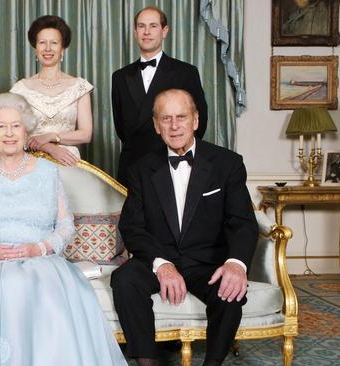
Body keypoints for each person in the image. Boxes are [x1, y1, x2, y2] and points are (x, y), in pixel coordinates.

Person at [0, 93, 127, 366]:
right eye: (1, 126)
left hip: (40, 258)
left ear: (26, 129)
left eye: (16, 126)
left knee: (37, 286)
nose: (9, 133)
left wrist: (38, 248)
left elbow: (65, 226)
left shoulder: (47, 172)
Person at [110, 89, 258, 366]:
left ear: (196, 120)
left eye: (181, 117)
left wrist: (236, 263)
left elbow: (242, 222)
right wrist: (162, 265)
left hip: (208, 261)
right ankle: (147, 362)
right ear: (156, 125)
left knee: (230, 293)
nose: (174, 125)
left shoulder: (227, 164)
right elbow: (132, 226)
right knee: (124, 279)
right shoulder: (141, 168)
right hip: (161, 255)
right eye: (166, 119)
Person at [112, 5, 208, 188]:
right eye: (141, 26)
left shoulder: (186, 72)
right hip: (133, 167)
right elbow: (121, 128)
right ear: (135, 31)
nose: (146, 32)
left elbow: (199, 122)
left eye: (153, 26)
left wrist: (178, 151)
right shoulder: (119, 77)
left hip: (173, 162)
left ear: (165, 31)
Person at [10, 15, 93, 166]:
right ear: (36, 49)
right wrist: (48, 147)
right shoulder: (20, 89)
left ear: (62, 49)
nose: (48, 48)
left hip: (68, 161)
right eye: (42, 43)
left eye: (54, 43)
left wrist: (52, 136)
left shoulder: (79, 87)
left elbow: (86, 134)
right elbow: (15, 134)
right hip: (31, 163)